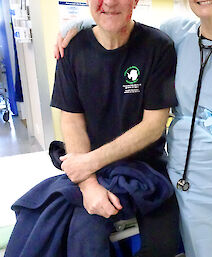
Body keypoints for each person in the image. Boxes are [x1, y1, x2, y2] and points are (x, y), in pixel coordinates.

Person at [56, 0, 212, 256]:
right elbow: (120, 19)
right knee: (195, 245)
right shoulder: (176, 32)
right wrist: (76, 24)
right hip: (185, 171)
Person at [6, 0, 180, 256]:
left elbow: (153, 126)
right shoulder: (72, 49)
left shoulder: (158, 47)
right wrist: (88, 184)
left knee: (164, 244)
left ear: (135, 1)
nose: (108, 2)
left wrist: (88, 163)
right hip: (92, 170)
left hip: (146, 168)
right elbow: (72, 121)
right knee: (83, 238)